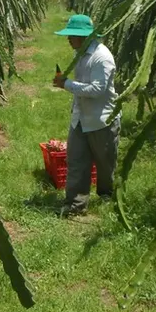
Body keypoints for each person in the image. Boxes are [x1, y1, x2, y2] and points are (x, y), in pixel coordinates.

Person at [52, 14, 121, 216]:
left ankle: (107, 196)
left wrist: (67, 85)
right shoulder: (81, 54)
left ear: (82, 37)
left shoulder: (102, 57)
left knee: (105, 164)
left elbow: (97, 90)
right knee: (76, 162)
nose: (68, 39)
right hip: (81, 119)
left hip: (102, 120)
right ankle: (75, 205)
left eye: (71, 35)